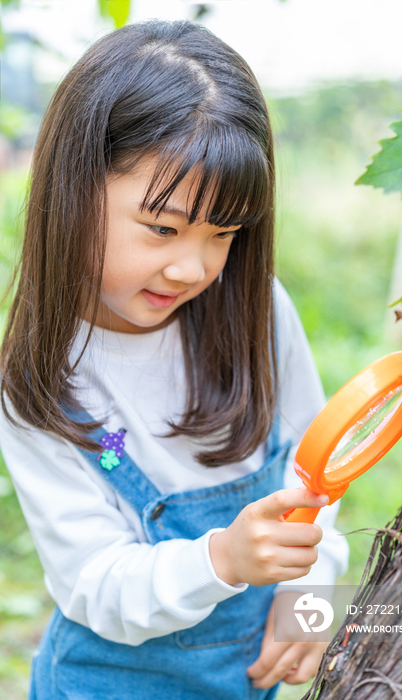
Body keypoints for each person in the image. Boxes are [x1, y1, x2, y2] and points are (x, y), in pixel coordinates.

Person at [0, 19, 348, 700]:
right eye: (162, 228)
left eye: (222, 234)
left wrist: (312, 598)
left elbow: (318, 472)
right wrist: (223, 560)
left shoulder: (256, 312)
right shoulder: (41, 383)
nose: (193, 266)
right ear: (73, 189)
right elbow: (93, 582)